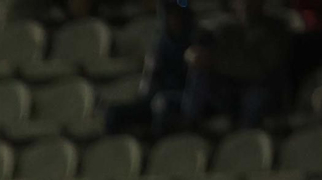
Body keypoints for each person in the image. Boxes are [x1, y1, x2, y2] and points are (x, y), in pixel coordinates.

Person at [183, 0, 290, 129]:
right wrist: (195, 56)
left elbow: (261, 69)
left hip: (263, 86)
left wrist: (215, 61)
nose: (245, 4)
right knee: (199, 74)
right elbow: (211, 56)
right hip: (232, 86)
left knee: (255, 101)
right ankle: (190, 128)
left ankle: (248, 140)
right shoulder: (226, 30)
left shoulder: (276, 28)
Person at [105, 0, 196, 137]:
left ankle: (158, 148)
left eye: (177, 14)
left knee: (162, 103)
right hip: (157, 98)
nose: (173, 20)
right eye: (169, 15)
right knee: (114, 113)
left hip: (186, 98)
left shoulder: (197, 40)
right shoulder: (161, 45)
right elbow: (150, 83)